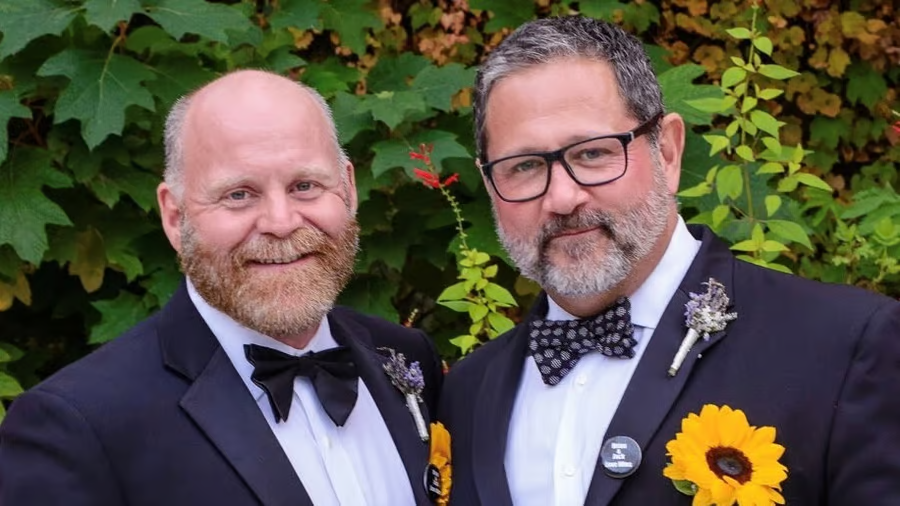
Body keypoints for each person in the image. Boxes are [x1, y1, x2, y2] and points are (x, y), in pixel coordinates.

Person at [439, 16, 900, 506]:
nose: (562, 196)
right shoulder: (466, 392)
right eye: (525, 166)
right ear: (490, 184)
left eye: (594, 153)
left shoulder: (846, 345)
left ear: (668, 150)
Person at [0, 70, 443, 506]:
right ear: (174, 217)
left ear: (347, 188)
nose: (281, 223)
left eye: (305, 186)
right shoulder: (77, 426)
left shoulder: (406, 359)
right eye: (238, 195)